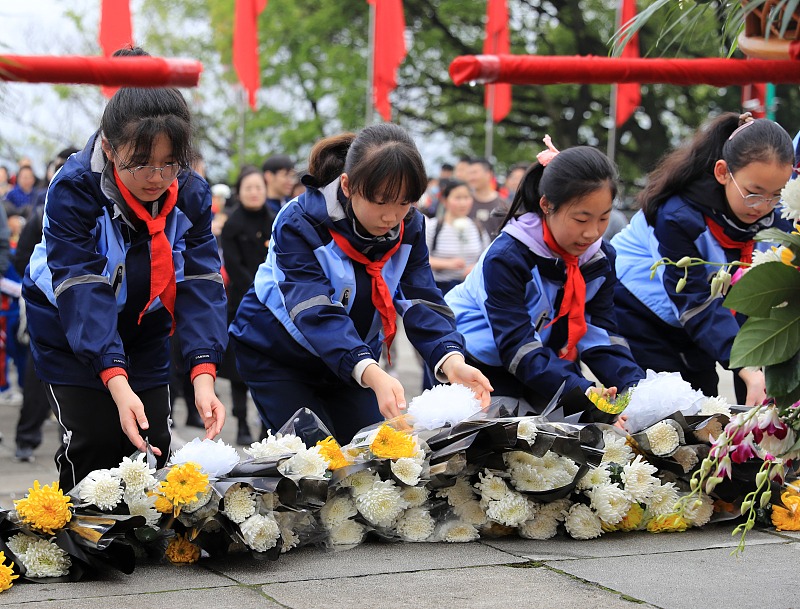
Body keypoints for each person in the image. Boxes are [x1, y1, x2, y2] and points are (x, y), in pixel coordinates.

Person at [22, 57, 228, 489]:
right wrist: (115, 379)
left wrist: (203, 374)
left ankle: (143, 545)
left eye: (170, 162)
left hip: (144, 320)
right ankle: (75, 537)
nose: (157, 178)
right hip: (69, 322)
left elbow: (201, 282)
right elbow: (82, 286)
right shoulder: (74, 188)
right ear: (111, 148)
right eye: (141, 163)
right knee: (96, 440)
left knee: (151, 442)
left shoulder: (189, 191)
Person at [230, 124, 493, 443]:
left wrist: (451, 360)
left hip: (351, 355)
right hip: (279, 349)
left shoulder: (410, 224)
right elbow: (314, 310)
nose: (391, 216)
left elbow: (421, 298)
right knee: (316, 460)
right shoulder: (299, 222)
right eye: (381, 201)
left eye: (404, 201)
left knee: (375, 455)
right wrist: (370, 371)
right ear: (347, 185)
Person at [445, 139, 644, 412]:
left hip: (543, 359)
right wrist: (585, 391)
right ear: (547, 205)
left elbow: (601, 334)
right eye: (582, 219)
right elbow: (517, 347)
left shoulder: (600, 258)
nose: (593, 232)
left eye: (603, 218)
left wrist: (635, 388)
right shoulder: (508, 256)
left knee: (593, 423)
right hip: (483, 363)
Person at [611, 113, 794, 404]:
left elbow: (755, 300)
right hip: (637, 312)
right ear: (723, 172)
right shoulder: (678, 216)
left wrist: (759, 374)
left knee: (709, 404)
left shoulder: (775, 218)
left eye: (776, 195)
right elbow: (695, 301)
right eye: (753, 193)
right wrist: (747, 366)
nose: (763, 206)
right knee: (670, 411)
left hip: (698, 319)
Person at [220, 165, 275, 445]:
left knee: (270, 369)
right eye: (248, 188)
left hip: (274, 307)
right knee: (237, 371)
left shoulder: (275, 220)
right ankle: (240, 422)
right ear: (239, 192)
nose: (254, 193)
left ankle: (266, 424)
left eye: (258, 187)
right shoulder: (232, 225)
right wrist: (258, 290)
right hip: (242, 303)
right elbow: (234, 267)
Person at [426, 179, 489, 295]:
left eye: (466, 198)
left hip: (470, 289)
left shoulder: (477, 227)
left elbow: (487, 258)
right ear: (445, 200)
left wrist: (474, 268)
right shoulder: (433, 227)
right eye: (458, 198)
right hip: (440, 288)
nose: (463, 203)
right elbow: (421, 258)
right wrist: (448, 264)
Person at [466, 157, 507, 239]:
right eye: (469, 173)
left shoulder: (503, 204)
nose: (471, 177)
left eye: (474, 173)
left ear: (489, 174)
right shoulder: (465, 202)